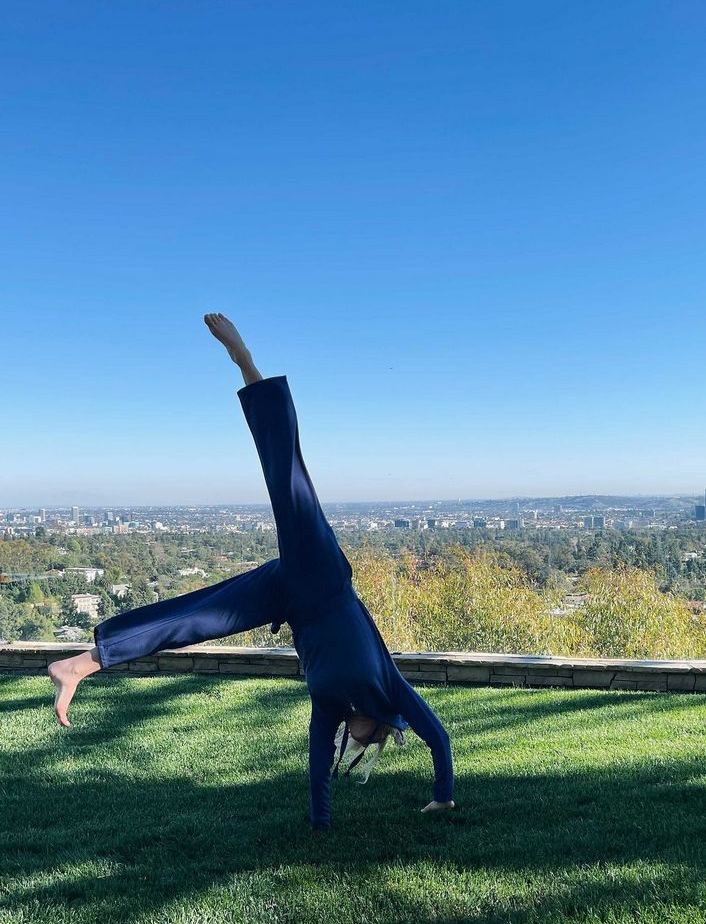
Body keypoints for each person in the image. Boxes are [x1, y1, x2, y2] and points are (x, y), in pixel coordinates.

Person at [48, 314, 455, 830]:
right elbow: (437, 737)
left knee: (199, 618)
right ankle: (246, 362)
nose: (345, 738)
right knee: (288, 480)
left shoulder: (330, 705)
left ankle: (80, 664)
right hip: (324, 580)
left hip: (288, 600)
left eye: (347, 741)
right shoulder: (392, 692)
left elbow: (316, 771)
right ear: (377, 728)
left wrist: (320, 824)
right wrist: (444, 796)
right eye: (357, 738)